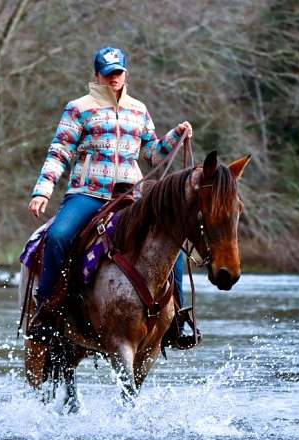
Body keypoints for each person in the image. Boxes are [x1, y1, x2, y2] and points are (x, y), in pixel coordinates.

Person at [27, 46, 198, 347]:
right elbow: (59, 151)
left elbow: (152, 154)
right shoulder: (79, 108)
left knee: (172, 239)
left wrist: (175, 135)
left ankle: (178, 319)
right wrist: (43, 191)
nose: (113, 79)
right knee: (57, 236)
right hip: (88, 193)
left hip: (131, 195)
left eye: (118, 73)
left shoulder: (139, 109)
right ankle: (46, 313)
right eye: (107, 74)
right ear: (96, 76)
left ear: (125, 73)